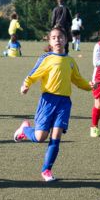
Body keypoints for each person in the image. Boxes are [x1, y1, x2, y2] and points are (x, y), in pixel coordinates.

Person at [13, 26, 94, 182]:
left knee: (56, 136)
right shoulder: (46, 58)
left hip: (64, 103)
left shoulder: (70, 61)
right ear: (50, 41)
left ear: (66, 40)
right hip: (48, 101)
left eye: (61, 37)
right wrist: (26, 85)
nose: (58, 40)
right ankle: (25, 130)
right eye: (54, 37)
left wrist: (89, 86)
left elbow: (78, 80)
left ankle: (46, 170)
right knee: (40, 137)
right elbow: (33, 74)